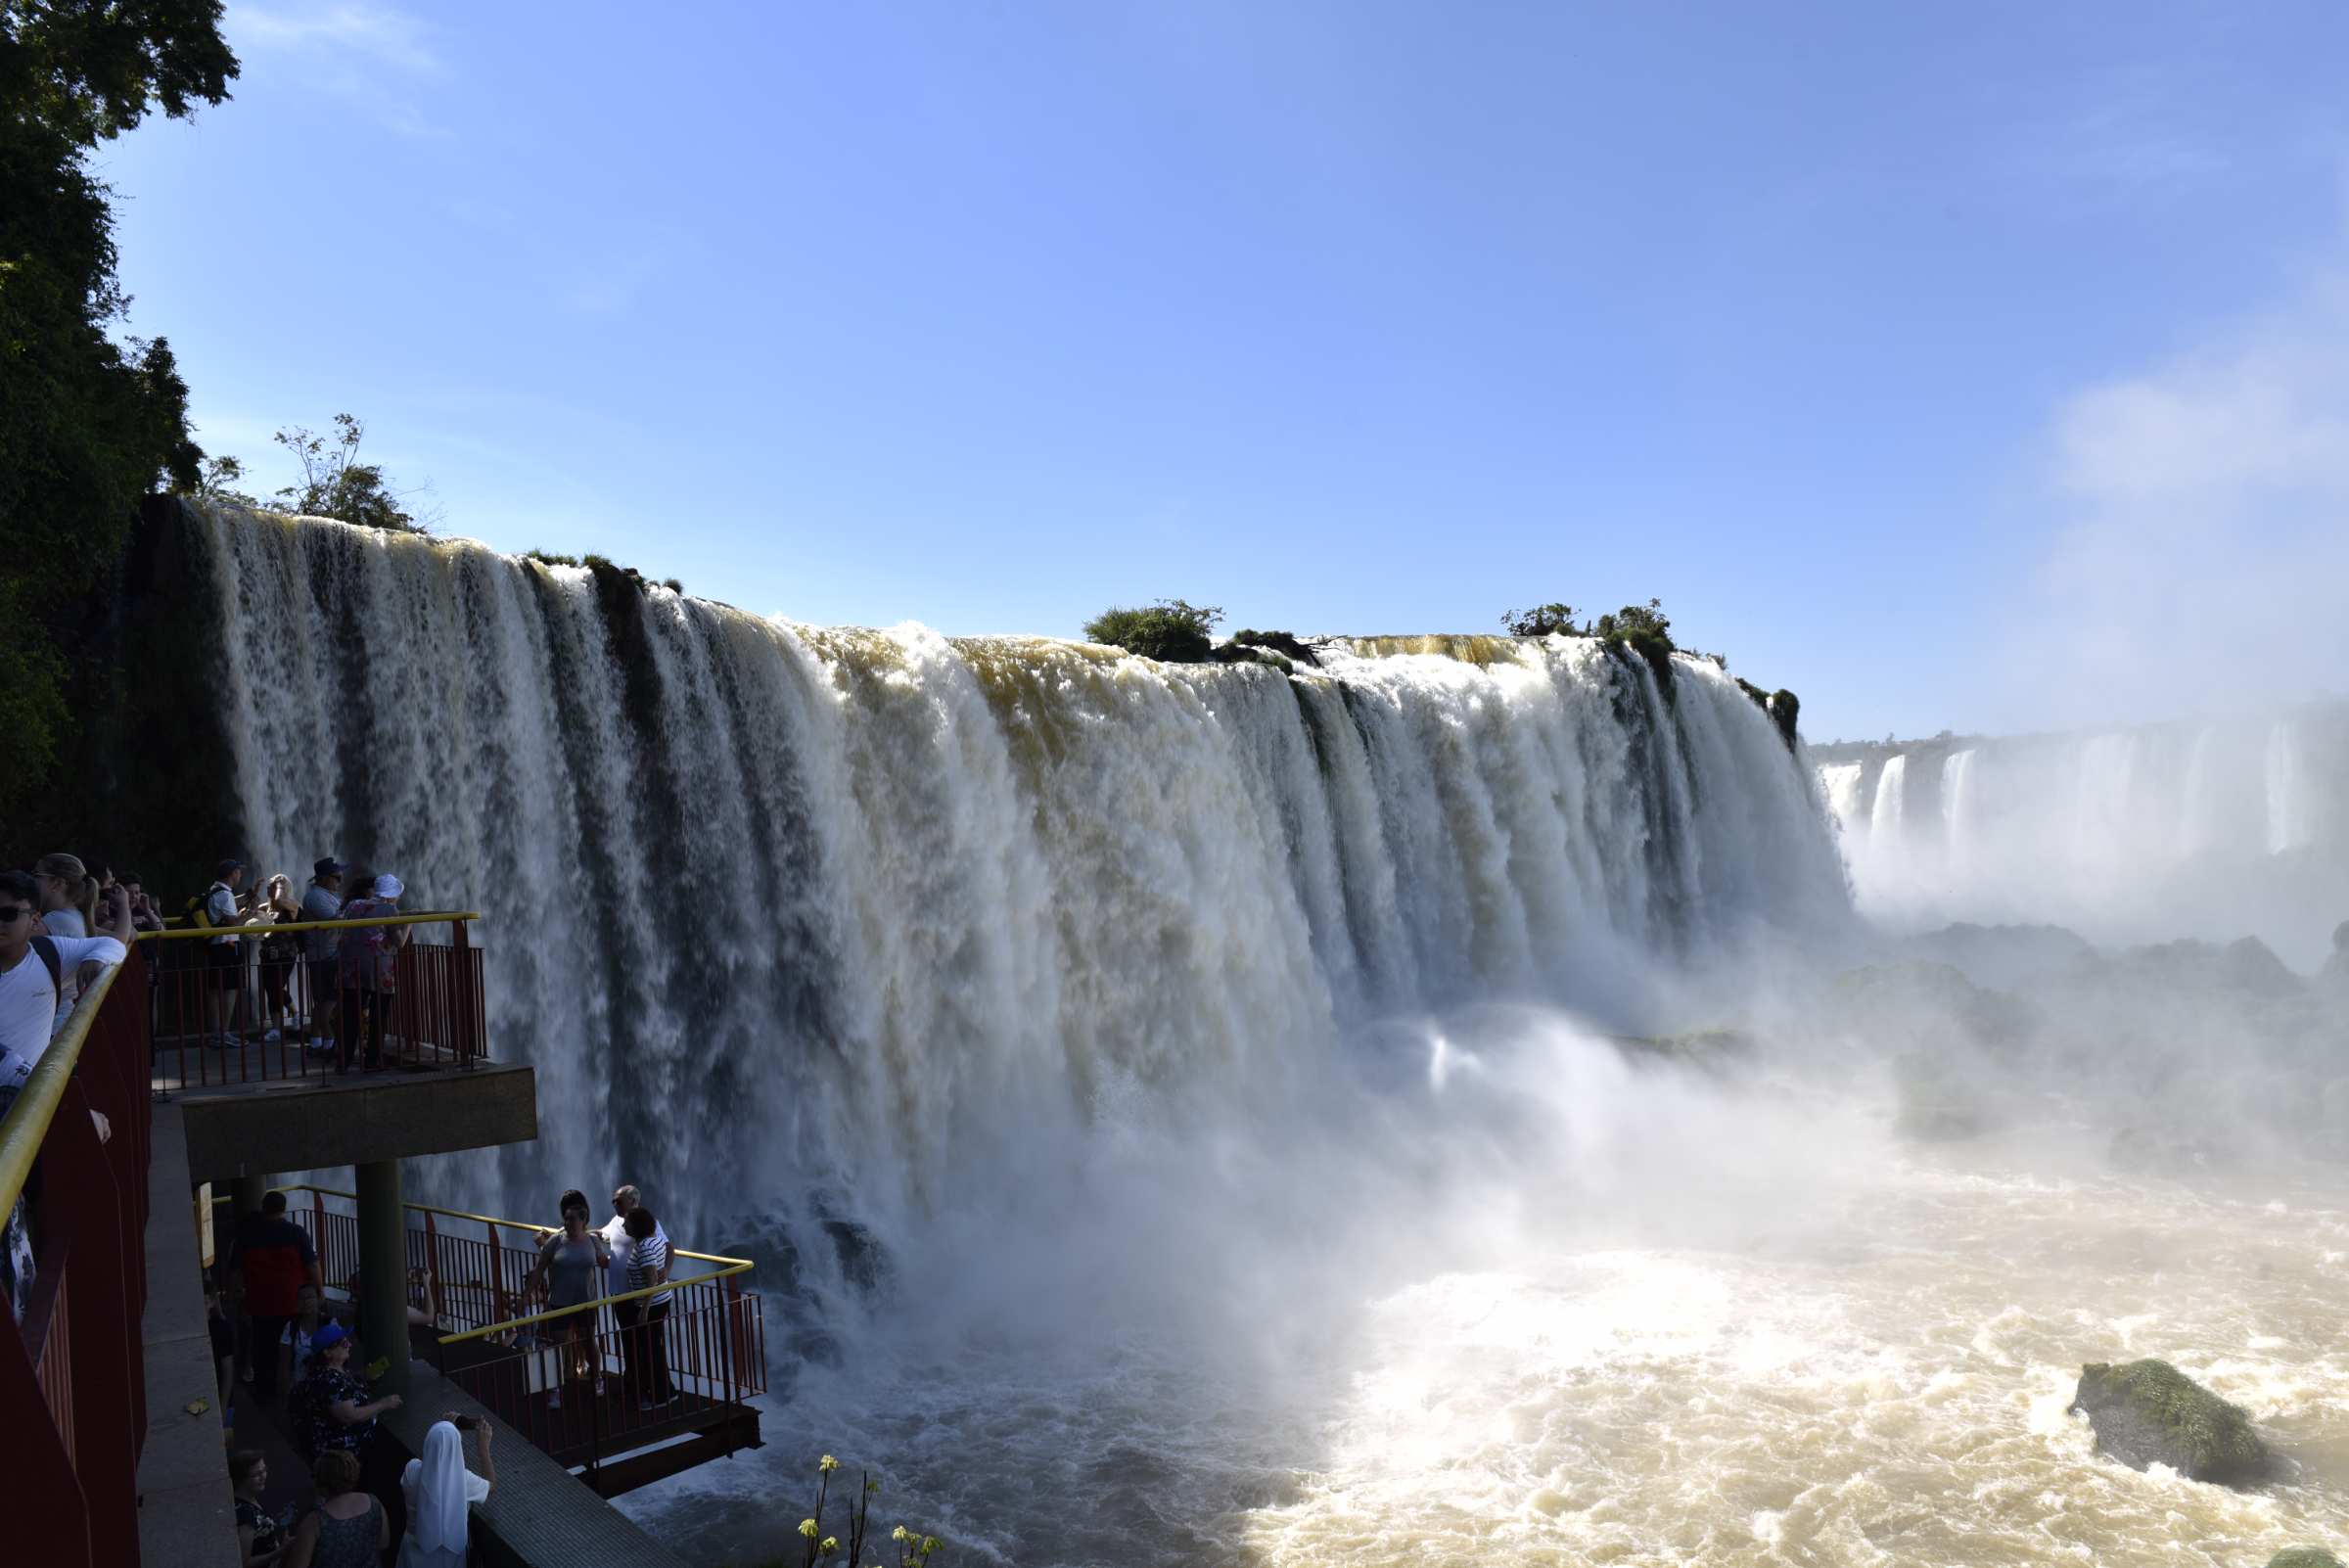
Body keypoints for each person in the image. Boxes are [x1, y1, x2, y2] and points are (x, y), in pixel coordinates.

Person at [231, 1190, 321, 1403]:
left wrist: (236, 1295)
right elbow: (312, 1263)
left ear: (263, 1208)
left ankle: (264, 1388)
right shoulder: (296, 1233)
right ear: (284, 1208)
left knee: (263, 1344)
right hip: (291, 1303)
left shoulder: (246, 1236)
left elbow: (235, 1271)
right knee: (292, 1344)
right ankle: (291, 1386)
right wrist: (320, 1289)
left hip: (259, 1301)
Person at [525, 1194, 609, 1409]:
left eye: (572, 1219)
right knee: (558, 1346)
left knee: (589, 1340)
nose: (567, 1222)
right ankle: (555, 1389)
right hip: (559, 1302)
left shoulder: (592, 1240)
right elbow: (539, 1269)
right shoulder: (555, 1241)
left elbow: (603, 1262)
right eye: (566, 1218)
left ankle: (597, 1378)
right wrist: (526, 1295)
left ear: (583, 1220)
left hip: (586, 1302)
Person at [294, 1320, 400, 1461]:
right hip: (344, 1455)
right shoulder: (328, 1380)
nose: (349, 1345)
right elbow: (350, 1416)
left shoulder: (336, 1371)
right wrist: (383, 1404)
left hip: (354, 1445)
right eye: (343, 1343)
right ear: (327, 1352)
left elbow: (347, 1392)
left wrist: (366, 1377)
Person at [395, 1416, 495, 1568]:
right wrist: (483, 1450)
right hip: (450, 1557)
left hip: (413, 1553)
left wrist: (448, 1429)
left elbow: (428, 1457)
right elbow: (491, 1486)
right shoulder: (464, 1480)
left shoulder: (411, 1470)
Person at [336, 871, 408, 1071]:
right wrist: (409, 921)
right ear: (392, 894)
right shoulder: (390, 910)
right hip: (379, 969)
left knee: (350, 1015)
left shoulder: (354, 904)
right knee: (379, 1016)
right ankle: (372, 1061)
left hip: (351, 967)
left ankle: (343, 1061)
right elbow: (399, 942)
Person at [283, 1449, 386, 1568]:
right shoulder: (374, 1503)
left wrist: (287, 1552)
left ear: (321, 1480)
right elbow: (383, 1543)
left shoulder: (313, 1522)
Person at [619, 1205, 676, 1409]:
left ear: (636, 1225)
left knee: (649, 1349)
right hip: (661, 1300)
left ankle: (661, 1396)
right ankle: (667, 1391)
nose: (623, 1225)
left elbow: (651, 1279)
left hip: (652, 1305)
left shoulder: (644, 1247)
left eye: (627, 1222)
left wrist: (643, 1310)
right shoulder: (655, 1240)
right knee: (654, 1347)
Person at [202, 858, 256, 1050]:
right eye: (238, 871)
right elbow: (234, 922)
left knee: (216, 989)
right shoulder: (224, 895)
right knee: (230, 989)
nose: (240, 874)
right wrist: (251, 913)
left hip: (216, 946)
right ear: (232, 873)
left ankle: (217, 1033)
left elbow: (231, 903)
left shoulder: (215, 890)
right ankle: (224, 1033)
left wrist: (248, 896)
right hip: (227, 946)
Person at [299, 858, 345, 1055]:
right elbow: (333, 921)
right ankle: (329, 1042)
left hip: (326, 953)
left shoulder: (325, 894)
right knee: (329, 1000)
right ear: (324, 879)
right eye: (337, 877)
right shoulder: (317, 898)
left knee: (323, 1000)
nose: (340, 882)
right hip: (325, 954)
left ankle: (317, 1041)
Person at [254, 874, 301, 1044]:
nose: (270, 889)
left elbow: (279, 901)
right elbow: (248, 915)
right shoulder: (265, 907)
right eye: (270, 886)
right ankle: (276, 1029)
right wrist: (253, 895)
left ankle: (295, 1012)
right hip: (267, 955)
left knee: (275, 986)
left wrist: (280, 884)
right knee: (270, 989)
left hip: (286, 954)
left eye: (274, 886)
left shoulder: (291, 905)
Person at [230, 1449, 290, 1568]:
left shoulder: (248, 1499)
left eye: (264, 1470)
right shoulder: (246, 1515)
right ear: (241, 1479)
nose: (263, 1476)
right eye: (256, 1474)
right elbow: (244, 1563)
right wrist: (280, 1552)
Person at [279, 1281, 329, 1391]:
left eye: (310, 1297)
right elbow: (284, 1364)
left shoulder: (329, 1323)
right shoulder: (291, 1326)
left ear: (318, 1300)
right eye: (302, 1298)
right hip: (299, 1387)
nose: (306, 1302)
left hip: (325, 1387)